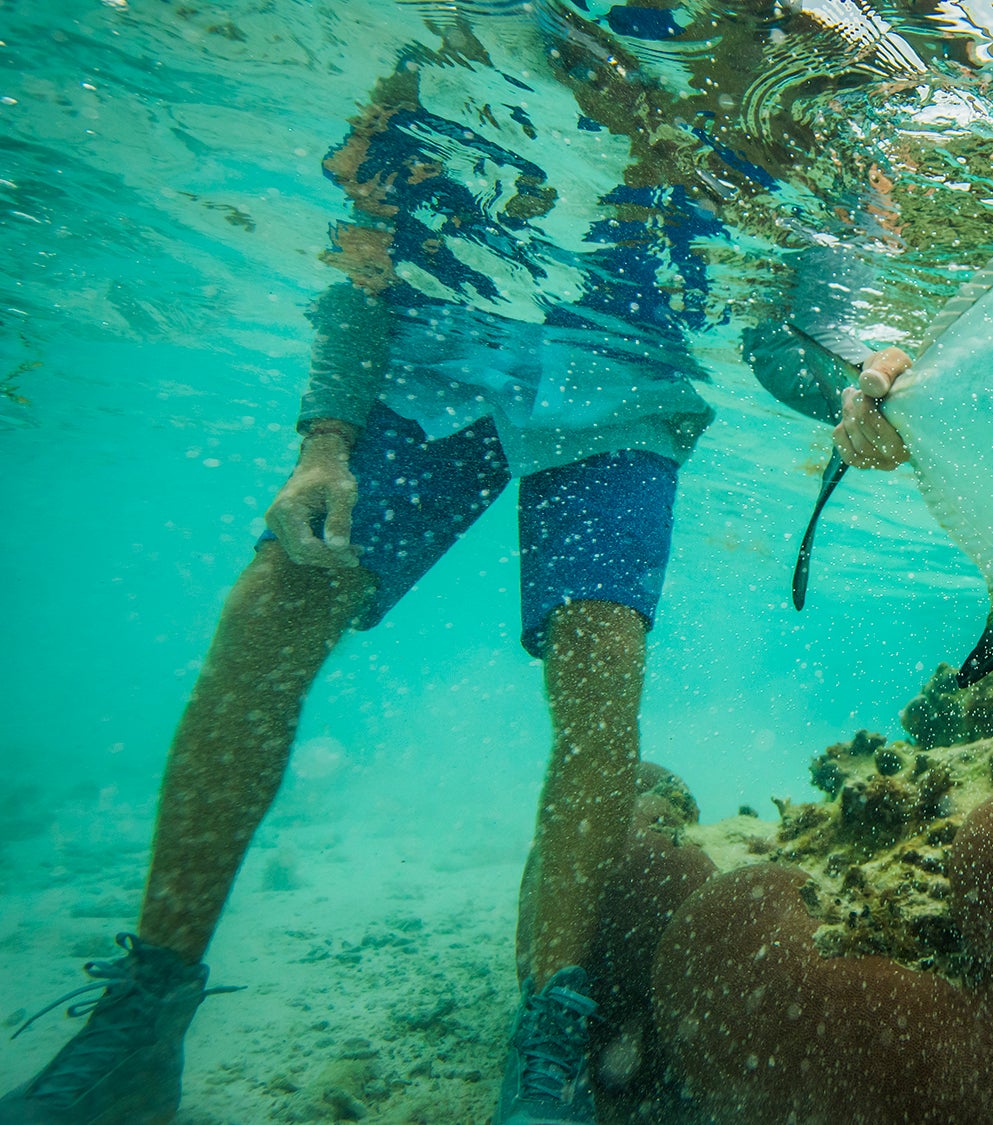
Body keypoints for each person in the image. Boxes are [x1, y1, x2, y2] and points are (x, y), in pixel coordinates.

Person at [0, 5, 914, 1125]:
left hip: (624, 385)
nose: (778, 41)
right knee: (275, 602)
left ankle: (551, 1023)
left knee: (600, 660)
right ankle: (142, 1017)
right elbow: (364, 249)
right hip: (436, 347)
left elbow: (786, 340)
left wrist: (853, 396)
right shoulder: (509, 26)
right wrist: (323, 439)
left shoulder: (839, 119)